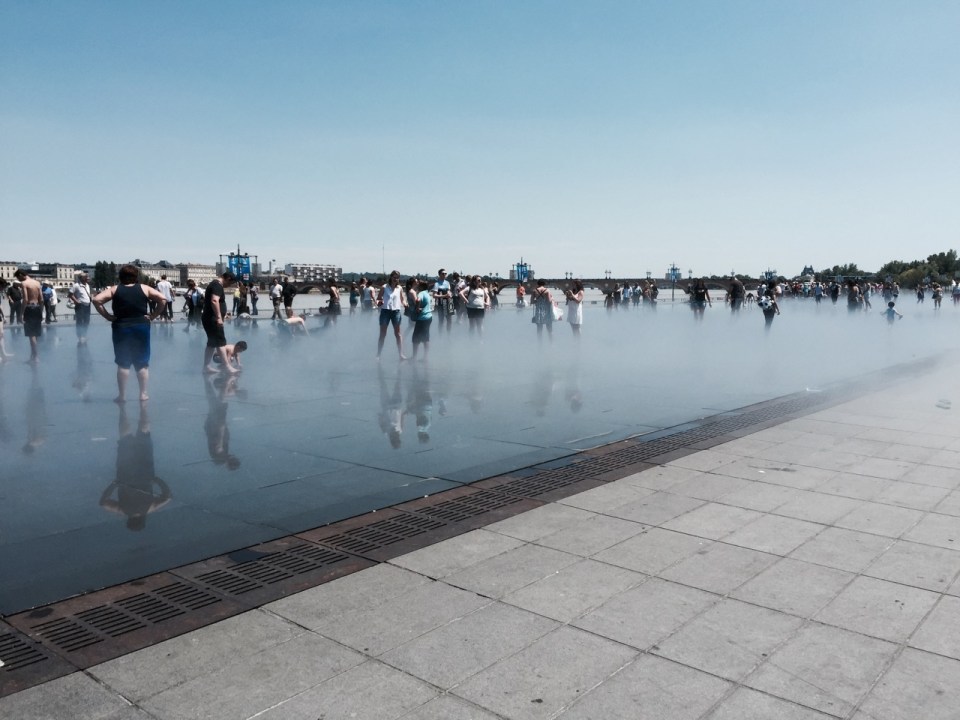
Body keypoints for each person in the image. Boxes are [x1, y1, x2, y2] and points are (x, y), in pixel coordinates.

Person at [92, 263, 168, 402]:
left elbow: (96, 300)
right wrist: (153, 315)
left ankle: (122, 395)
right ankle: (143, 394)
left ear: (120, 276)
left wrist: (108, 316)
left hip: (121, 326)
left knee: (123, 362)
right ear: (136, 276)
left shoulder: (115, 289)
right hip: (141, 326)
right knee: (142, 363)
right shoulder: (144, 288)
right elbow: (163, 299)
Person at [99, 402, 171, 531]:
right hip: (125, 472)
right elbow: (103, 503)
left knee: (144, 435)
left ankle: (143, 407)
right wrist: (114, 484)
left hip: (145, 472)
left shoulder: (150, 508)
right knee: (125, 439)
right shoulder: (122, 510)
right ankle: (122, 409)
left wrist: (157, 480)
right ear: (129, 520)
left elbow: (168, 497)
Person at [201, 271, 239, 374]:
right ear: (228, 279)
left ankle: (206, 366)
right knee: (220, 342)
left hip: (209, 318)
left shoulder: (214, 284)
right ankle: (227, 367)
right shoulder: (217, 285)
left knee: (211, 343)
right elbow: (214, 300)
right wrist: (218, 317)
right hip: (213, 319)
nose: (229, 286)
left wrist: (223, 314)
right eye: (230, 283)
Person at [377, 270, 407, 360]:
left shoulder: (399, 288)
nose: (396, 279)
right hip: (385, 311)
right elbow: (378, 298)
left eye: (397, 277)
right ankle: (378, 354)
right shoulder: (384, 287)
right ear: (391, 277)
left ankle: (400, 354)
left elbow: (402, 299)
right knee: (383, 334)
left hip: (396, 311)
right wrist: (379, 302)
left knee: (398, 334)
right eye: (394, 277)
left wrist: (405, 304)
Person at [14, 269, 43, 363]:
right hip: (37, 307)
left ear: (21, 275)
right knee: (36, 335)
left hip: (29, 308)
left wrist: (21, 314)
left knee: (31, 335)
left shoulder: (24, 284)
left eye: (19, 278)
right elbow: (41, 299)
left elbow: (25, 299)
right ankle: (33, 356)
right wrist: (41, 311)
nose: (19, 280)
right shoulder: (37, 283)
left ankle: (36, 357)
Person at [410, 279, 433, 361]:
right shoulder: (427, 293)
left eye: (419, 285)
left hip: (422, 318)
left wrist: (417, 308)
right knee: (426, 337)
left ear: (421, 286)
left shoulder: (421, 293)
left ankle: (414, 357)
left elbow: (418, 300)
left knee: (415, 338)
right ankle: (426, 357)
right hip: (429, 317)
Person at [69, 271, 92, 342]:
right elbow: (70, 294)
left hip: (87, 305)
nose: (88, 278)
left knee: (86, 321)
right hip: (80, 305)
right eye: (86, 277)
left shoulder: (87, 285)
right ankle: (80, 336)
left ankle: (84, 335)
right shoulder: (76, 285)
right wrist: (76, 301)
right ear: (82, 278)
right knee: (80, 321)